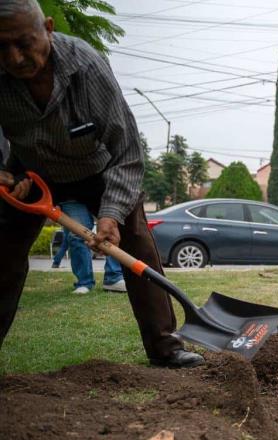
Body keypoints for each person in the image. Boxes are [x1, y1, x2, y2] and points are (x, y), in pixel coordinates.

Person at [0, 1, 203, 368]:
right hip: (32, 174)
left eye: (24, 42)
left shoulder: (87, 66)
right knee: (3, 254)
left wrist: (111, 214)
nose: (14, 58)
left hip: (98, 168)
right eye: (2, 47)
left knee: (137, 240)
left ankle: (166, 346)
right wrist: (4, 172)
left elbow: (126, 150)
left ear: (47, 27)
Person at [51, 201, 127, 294]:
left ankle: (114, 278)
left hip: (103, 192)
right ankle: (84, 282)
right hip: (71, 194)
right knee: (77, 235)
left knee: (110, 231)